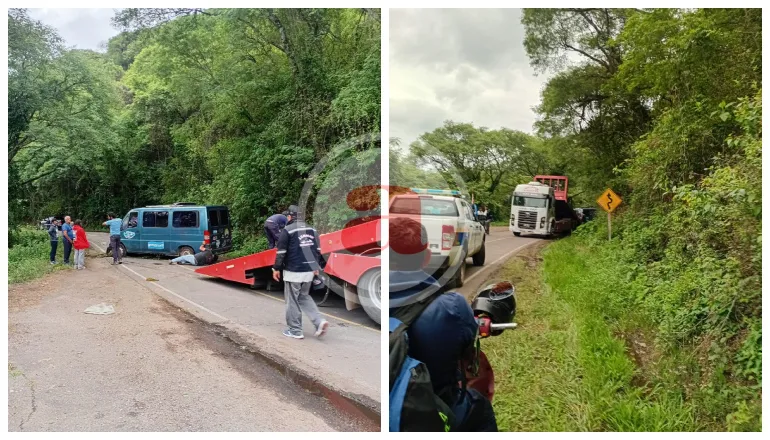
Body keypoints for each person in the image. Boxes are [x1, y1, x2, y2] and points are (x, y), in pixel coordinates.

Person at [389, 216, 498, 432]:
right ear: (427, 257)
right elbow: (469, 341)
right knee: (479, 405)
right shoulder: (451, 307)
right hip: (434, 408)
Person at [271, 205, 329, 339]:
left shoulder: (288, 230)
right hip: (309, 271)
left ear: (290, 217)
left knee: (292, 300)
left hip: (294, 271)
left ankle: (295, 330)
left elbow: (281, 253)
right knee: (304, 296)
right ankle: (319, 322)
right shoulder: (312, 229)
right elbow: (318, 251)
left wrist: (276, 268)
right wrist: (317, 268)